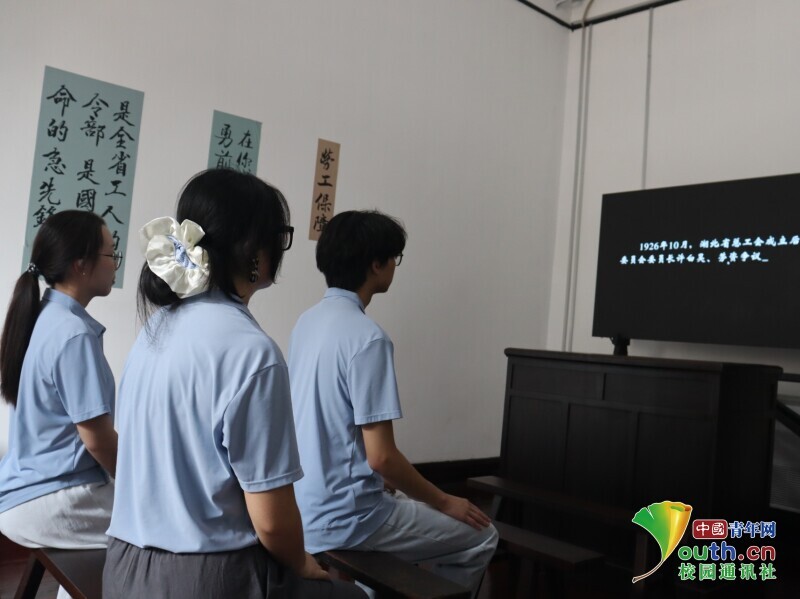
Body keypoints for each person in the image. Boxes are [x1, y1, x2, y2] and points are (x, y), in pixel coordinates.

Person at [103, 169, 364, 599]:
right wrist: (303, 563)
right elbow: (272, 523)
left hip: (123, 567)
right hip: (204, 578)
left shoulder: (155, 330)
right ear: (256, 251)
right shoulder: (251, 350)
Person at [288, 210, 498, 598]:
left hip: (304, 506)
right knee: (482, 535)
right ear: (376, 264)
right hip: (348, 519)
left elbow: (321, 422)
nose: (394, 267)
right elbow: (381, 458)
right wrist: (445, 501)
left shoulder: (307, 322)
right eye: (394, 258)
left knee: (395, 508)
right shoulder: (368, 338)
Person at [0, 211, 118, 553]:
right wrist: (142, 483)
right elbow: (97, 442)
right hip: (55, 497)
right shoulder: (73, 334)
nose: (115, 264)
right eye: (111, 254)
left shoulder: (44, 316)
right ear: (81, 264)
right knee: (165, 525)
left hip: (24, 493)